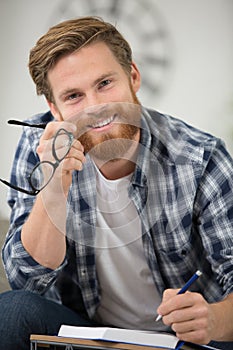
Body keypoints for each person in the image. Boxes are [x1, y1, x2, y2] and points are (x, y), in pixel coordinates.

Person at [0, 16, 233, 350]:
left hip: (188, 341)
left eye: (105, 83)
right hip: (90, 336)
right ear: (54, 109)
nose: (95, 107)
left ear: (133, 77)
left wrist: (210, 319)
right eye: (73, 96)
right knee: (10, 312)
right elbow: (27, 282)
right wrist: (54, 184)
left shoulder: (200, 158)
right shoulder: (40, 147)